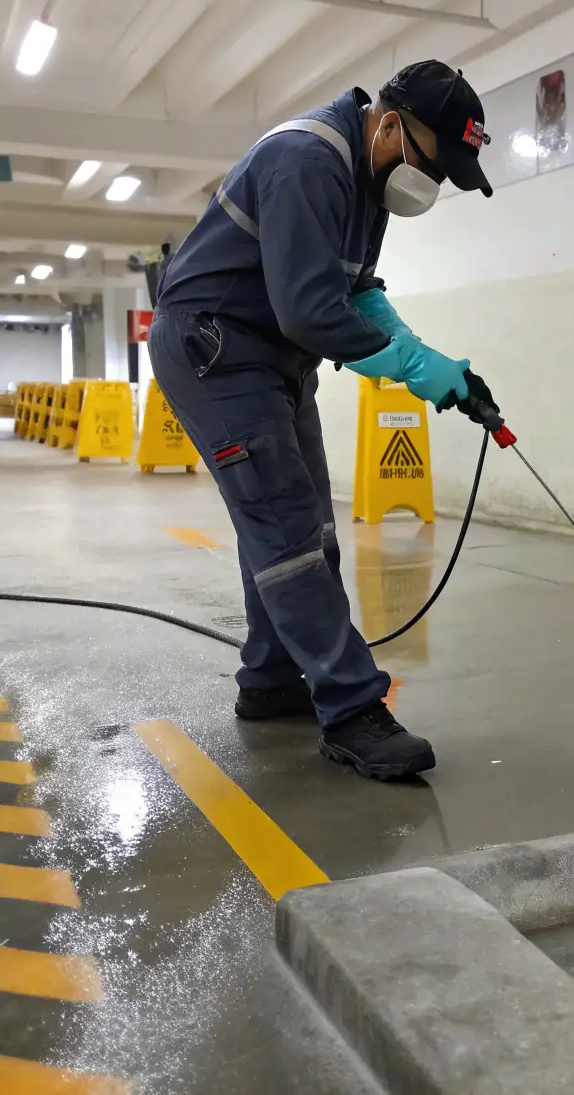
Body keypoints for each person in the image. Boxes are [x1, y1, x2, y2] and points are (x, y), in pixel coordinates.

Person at [149, 61, 496, 780]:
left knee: (302, 529)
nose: (429, 183)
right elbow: (309, 309)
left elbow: (358, 294)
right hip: (216, 348)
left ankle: (273, 678)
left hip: (274, 358)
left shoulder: (366, 184)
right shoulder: (307, 160)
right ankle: (351, 707)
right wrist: (412, 368)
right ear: (393, 124)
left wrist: (433, 362)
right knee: (288, 531)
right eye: (432, 163)